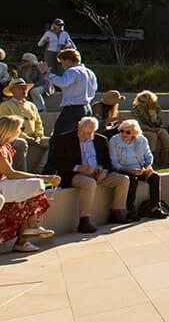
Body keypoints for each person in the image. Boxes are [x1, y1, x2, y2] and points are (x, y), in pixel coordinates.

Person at [44, 117, 131, 233]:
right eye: (82, 131)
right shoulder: (64, 139)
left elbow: (107, 161)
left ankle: (117, 212)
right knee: (90, 183)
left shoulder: (101, 140)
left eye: (89, 133)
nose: (84, 135)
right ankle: (84, 220)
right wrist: (78, 168)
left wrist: (104, 171)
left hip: (97, 173)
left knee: (123, 180)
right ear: (78, 126)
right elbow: (57, 162)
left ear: (94, 131)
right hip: (75, 174)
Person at [0, 116, 59, 253]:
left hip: (4, 184)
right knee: (36, 185)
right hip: (2, 184)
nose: (21, 131)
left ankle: (26, 236)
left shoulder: (6, 146)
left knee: (34, 192)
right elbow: (11, 173)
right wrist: (43, 177)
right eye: (21, 128)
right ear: (11, 130)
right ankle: (28, 231)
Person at [109, 120, 162, 221]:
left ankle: (154, 208)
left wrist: (148, 167)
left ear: (135, 133)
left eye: (128, 132)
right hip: (123, 169)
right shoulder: (114, 141)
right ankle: (131, 210)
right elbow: (114, 163)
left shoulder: (142, 140)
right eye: (122, 131)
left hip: (140, 168)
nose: (124, 134)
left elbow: (148, 156)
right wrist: (130, 170)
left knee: (155, 177)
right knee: (132, 179)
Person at [40, 49, 98, 136]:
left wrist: (46, 73)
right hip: (87, 108)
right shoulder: (90, 73)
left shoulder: (72, 71)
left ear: (67, 60)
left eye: (62, 62)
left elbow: (62, 82)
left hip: (73, 110)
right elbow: (95, 88)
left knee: (59, 136)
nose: (62, 65)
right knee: (79, 137)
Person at [0, 79, 49, 172]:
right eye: (20, 88)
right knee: (20, 143)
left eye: (25, 88)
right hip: (13, 137)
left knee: (53, 141)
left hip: (33, 137)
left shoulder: (32, 105)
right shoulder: (5, 106)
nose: (24, 90)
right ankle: (22, 172)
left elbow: (38, 123)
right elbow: (7, 127)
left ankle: (41, 170)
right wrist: (26, 138)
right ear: (13, 91)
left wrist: (38, 136)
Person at [131, 91, 169, 167]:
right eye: (139, 100)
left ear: (149, 101)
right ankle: (152, 160)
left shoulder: (156, 108)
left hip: (155, 127)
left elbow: (161, 121)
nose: (140, 103)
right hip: (143, 129)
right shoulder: (136, 109)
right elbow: (138, 124)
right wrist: (150, 129)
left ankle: (166, 160)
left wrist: (155, 120)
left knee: (164, 133)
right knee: (152, 135)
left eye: (143, 101)